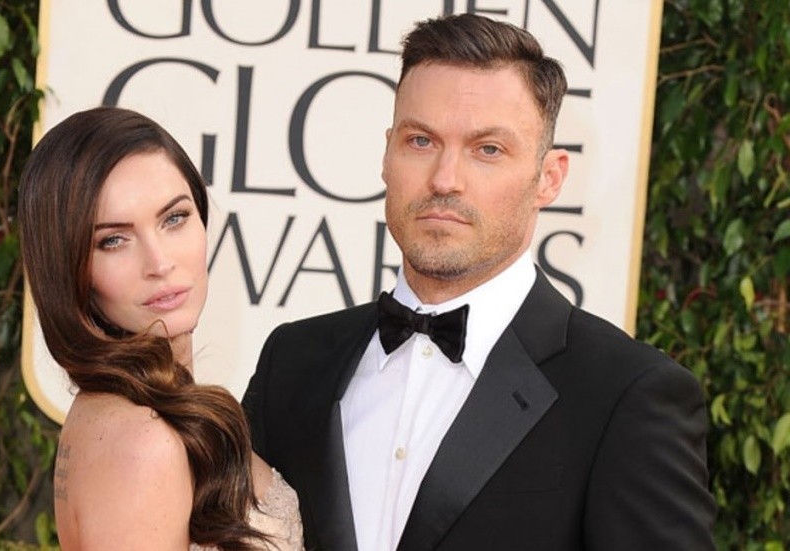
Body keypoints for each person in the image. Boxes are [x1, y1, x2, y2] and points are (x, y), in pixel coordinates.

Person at [242, 13, 716, 551]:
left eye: (488, 149)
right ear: (387, 154)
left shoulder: (626, 396)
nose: (445, 179)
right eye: (421, 140)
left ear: (549, 178)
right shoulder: (292, 361)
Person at [18, 106, 303, 550]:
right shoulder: (143, 441)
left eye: (174, 218)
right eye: (113, 240)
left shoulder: (132, 409)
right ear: (71, 269)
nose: (160, 262)